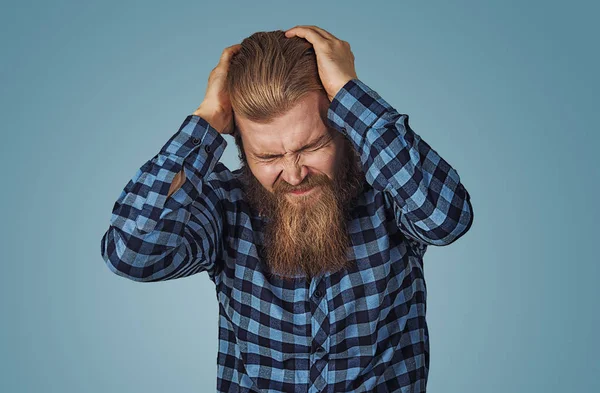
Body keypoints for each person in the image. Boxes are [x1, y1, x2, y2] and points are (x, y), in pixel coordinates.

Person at [100, 25, 474, 393]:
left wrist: (349, 92)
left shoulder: (390, 189)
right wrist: (207, 120)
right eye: (268, 156)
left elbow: (446, 220)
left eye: (311, 146)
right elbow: (132, 253)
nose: (293, 174)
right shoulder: (225, 205)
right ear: (241, 147)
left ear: (343, 127)